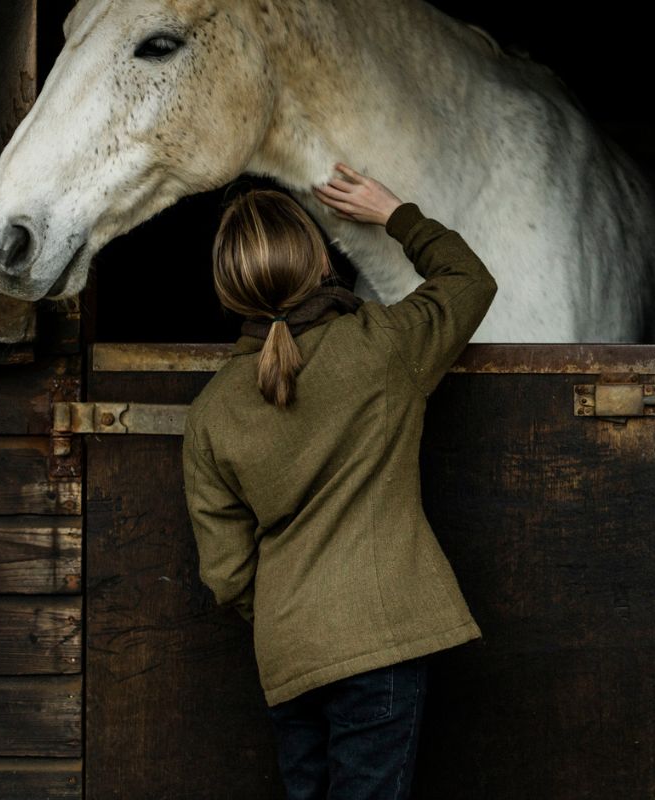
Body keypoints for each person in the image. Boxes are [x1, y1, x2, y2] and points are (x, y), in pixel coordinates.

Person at [181, 162, 498, 799]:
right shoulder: (383, 345)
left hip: (289, 654)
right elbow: (469, 280)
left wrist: (287, 613)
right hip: (378, 644)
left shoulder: (210, 412)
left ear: (229, 294)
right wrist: (394, 213)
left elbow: (225, 573)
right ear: (323, 263)